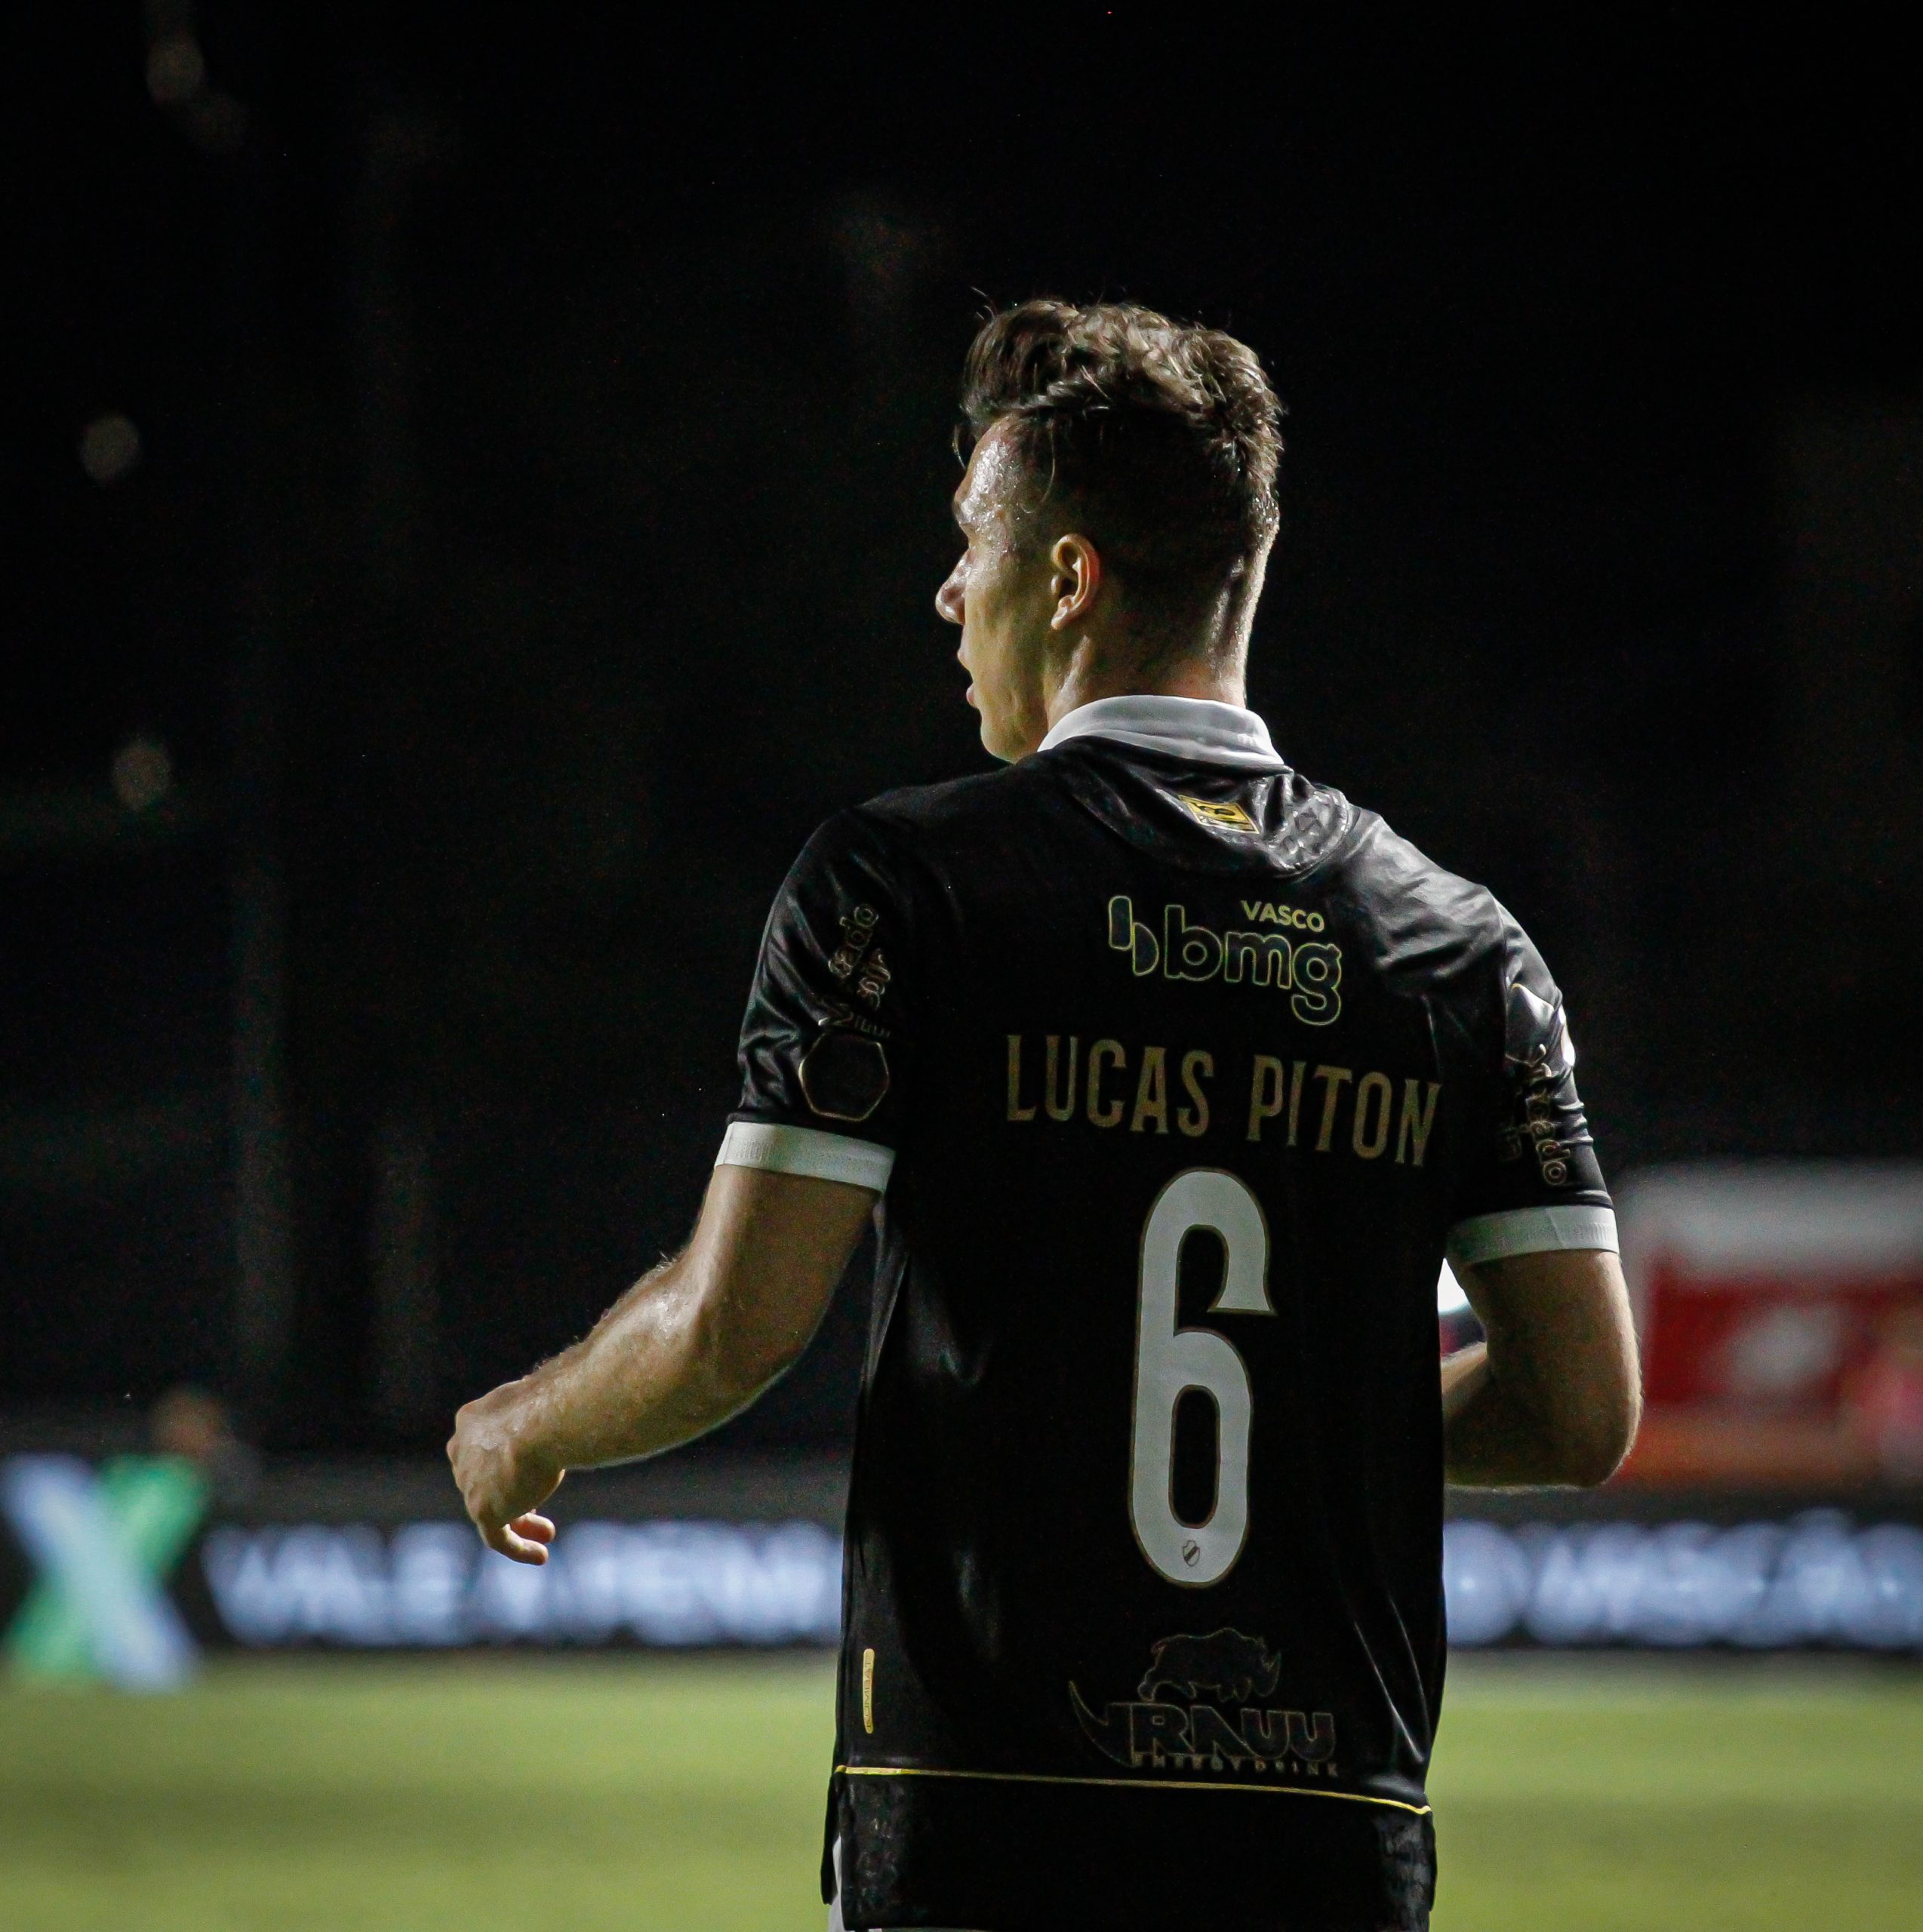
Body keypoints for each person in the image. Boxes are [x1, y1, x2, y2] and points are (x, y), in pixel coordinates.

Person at [448, 299, 1641, 1931]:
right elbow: (1582, 1412)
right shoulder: (1459, 949)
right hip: (1326, 1834)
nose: (949, 596)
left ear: (1066, 579)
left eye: (970, 547)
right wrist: (1314, 1423)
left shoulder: (901, 884)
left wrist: (525, 1420)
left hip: (982, 1824)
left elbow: (734, 1327)